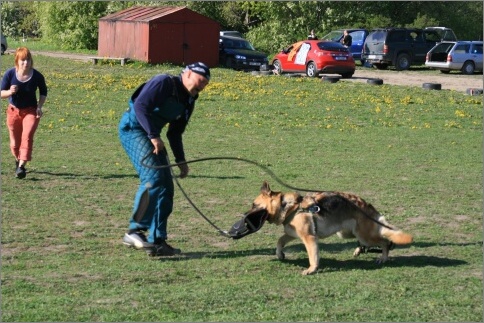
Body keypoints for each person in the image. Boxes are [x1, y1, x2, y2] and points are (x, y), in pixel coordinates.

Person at [118, 62, 210, 257]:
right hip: (134, 129)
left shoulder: (189, 101)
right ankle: (134, 231)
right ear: (187, 74)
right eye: (200, 80)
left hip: (154, 136)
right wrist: (153, 135)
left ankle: (157, 241)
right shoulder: (164, 82)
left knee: (166, 187)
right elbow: (141, 106)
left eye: (205, 84)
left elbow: (175, 132)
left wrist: (181, 160)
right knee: (153, 178)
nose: (201, 86)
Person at [1, 47, 47, 179]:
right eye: (22, 60)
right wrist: (10, 92)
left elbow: (43, 91)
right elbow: (1, 93)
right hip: (13, 111)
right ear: (17, 60)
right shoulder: (10, 74)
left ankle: (21, 167)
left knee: (27, 136)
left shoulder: (37, 76)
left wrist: (39, 106)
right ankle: (18, 159)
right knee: (15, 143)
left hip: (31, 111)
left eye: (28, 59)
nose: (26, 63)